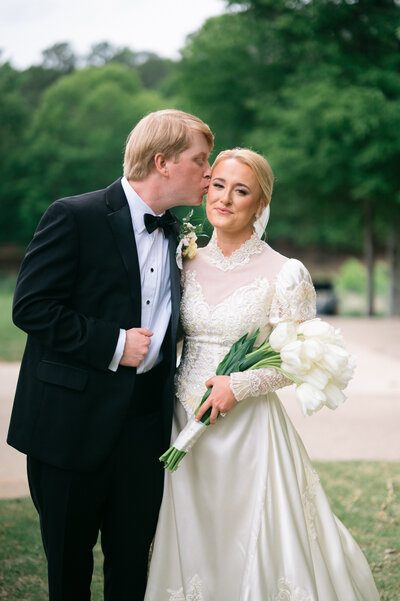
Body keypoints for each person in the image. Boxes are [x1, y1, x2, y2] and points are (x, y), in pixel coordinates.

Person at [144, 148, 380, 601]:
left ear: (260, 203)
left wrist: (241, 383)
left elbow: (300, 357)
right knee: (192, 535)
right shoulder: (181, 260)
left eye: (241, 191)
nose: (225, 199)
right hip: (182, 426)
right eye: (218, 186)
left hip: (250, 434)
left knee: (252, 536)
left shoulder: (286, 273)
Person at [7, 109, 214, 601]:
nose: (209, 173)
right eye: (200, 160)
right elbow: (31, 307)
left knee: (132, 572)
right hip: (67, 430)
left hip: (144, 436)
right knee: (68, 573)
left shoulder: (180, 236)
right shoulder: (74, 215)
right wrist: (116, 344)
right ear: (162, 162)